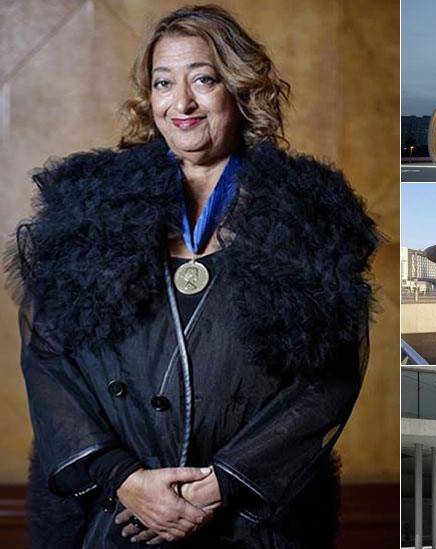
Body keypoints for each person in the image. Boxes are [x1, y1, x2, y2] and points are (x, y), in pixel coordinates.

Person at [10, 5, 376, 547]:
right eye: (163, 83)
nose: (180, 103)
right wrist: (125, 480)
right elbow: (49, 361)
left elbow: (329, 380)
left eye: (203, 79)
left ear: (239, 89)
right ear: (149, 98)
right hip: (116, 518)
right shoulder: (88, 214)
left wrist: (221, 485)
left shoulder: (307, 220)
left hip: (248, 522)